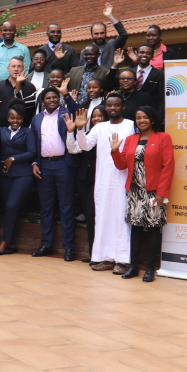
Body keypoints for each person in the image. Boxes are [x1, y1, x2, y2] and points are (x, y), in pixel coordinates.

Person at [73, 93, 136, 273]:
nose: (112, 108)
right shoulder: (100, 127)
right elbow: (85, 146)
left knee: (122, 219)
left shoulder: (131, 125)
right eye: (109, 105)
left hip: (123, 180)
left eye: (116, 105)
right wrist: (79, 129)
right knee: (103, 218)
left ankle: (122, 260)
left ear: (123, 107)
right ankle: (105, 258)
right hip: (102, 181)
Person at [110, 106, 173, 282]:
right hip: (134, 191)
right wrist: (115, 151)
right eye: (138, 118)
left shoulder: (163, 138)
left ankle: (151, 268)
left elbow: (168, 166)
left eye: (145, 117)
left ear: (152, 119)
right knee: (136, 228)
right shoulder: (131, 139)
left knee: (153, 228)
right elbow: (122, 165)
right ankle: (134, 266)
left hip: (154, 192)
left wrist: (162, 192)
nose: (141, 121)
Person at [29, 88, 80, 261]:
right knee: (46, 207)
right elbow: (33, 143)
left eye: (54, 97)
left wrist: (66, 95)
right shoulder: (37, 118)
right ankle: (46, 245)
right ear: (43, 101)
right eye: (48, 98)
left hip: (64, 164)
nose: (51, 100)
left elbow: (77, 112)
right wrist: (34, 163)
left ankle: (69, 248)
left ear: (58, 99)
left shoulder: (66, 113)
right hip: (44, 165)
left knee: (66, 207)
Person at [0, 101, 36, 256]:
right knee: (11, 208)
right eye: (12, 118)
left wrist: (13, 159)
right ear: (8, 118)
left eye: (18, 118)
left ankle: (4, 242)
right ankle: (12, 244)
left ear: (22, 119)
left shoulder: (28, 132)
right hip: (6, 174)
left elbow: (32, 152)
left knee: (11, 206)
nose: (15, 121)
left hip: (23, 174)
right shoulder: (2, 131)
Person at [66, 104, 107, 262]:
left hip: (99, 179)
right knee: (89, 217)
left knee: (92, 214)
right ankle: (93, 253)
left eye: (100, 116)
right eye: (94, 116)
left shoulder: (108, 134)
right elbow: (73, 149)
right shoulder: (87, 133)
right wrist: (71, 131)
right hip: (83, 179)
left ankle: (99, 253)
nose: (96, 119)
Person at [128, 45, 165, 120]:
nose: (144, 55)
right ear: (137, 54)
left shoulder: (160, 74)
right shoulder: (129, 72)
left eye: (148, 53)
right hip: (129, 114)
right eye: (141, 52)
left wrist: (158, 118)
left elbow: (162, 99)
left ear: (152, 56)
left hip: (150, 115)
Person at [93, 3, 129, 68]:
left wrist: (110, 16)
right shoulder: (86, 52)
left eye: (102, 33)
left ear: (106, 33)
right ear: (91, 34)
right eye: (96, 34)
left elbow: (123, 35)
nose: (99, 36)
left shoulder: (112, 45)